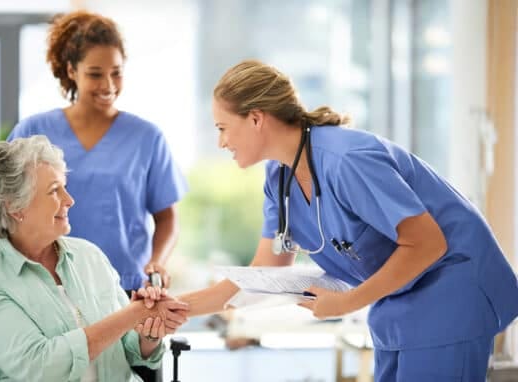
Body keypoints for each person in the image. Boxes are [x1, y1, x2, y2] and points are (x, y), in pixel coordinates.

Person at [179, 59, 518, 381]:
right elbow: (262, 273)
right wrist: (177, 307)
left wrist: (347, 302)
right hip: (399, 302)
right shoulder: (278, 180)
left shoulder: (346, 160)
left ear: (255, 118)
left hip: (451, 289)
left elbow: (429, 242)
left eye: (223, 128)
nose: (221, 142)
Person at [0, 135, 190, 381]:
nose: (69, 200)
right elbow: (41, 367)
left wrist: (148, 334)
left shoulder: (89, 256)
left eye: (65, 187)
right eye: (54, 191)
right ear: (16, 207)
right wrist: (132, 314)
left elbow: (129, 347)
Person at [9, 9, 187, 303]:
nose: (108, 85)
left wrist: (157, 262)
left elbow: (167, 217)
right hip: (50, 286)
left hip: (125, 287)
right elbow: (10, 209)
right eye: (95, 74)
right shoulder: (33, 131)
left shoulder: (147, 137)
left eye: (116, 72)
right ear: (71, 71)